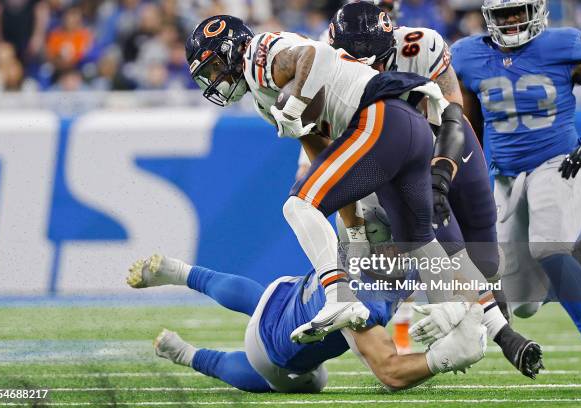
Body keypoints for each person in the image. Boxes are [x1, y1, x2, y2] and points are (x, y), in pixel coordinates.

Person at [185, 14, 469, 344]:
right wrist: (355, 229)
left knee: (298, 205)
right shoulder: (263, 96)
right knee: (416, 233)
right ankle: (451, 306)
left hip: (379, 116)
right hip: (410, 125)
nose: (215, 79)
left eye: (215, 67)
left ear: (233, 49)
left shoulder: (260, 54)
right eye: (207, 75)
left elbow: (316, 54)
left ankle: (337, 297)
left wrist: (294, 106)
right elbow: (322, 154)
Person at [325, 0, 543, 379]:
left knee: (487, 259)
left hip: (449, 142)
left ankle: (493, 306)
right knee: (451, 254)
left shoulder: (420, 46)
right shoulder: (326, 75)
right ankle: (497, 330)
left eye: (374, 60)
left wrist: (442, 171)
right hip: (399, 162)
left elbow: (453, 113)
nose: (368, 71)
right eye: (354, 61)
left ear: (389, 43)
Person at [126, 246, 487, 393]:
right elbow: (390, 373)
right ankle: (187, 355)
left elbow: (417, 289)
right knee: (314, 382)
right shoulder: (363, 307)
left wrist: (449, 309)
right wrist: (442, 357)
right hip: (272, 350)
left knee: (262, 299)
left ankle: (184, 272)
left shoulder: (360, 244)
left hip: (284, 293)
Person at [451, 0, 581, 343]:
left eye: (518, 10)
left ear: (537, 9)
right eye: (502, 13)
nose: (511, 19)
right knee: (523, 301)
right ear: (488, 17)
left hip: (560, 162)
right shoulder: (467, 55)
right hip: (507, 175)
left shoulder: (563, 44)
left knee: (548, 248)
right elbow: (469, 124)